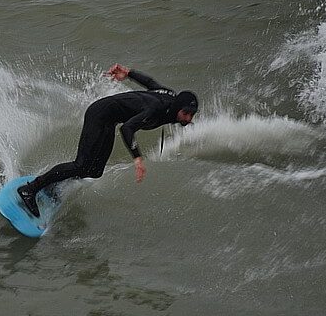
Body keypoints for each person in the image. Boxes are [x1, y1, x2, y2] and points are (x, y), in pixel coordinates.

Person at [17, 63, 199, 217]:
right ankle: (31, 189)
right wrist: (137, 158)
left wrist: (128, 73)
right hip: (99, 114)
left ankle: (52, 186)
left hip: (109, 120)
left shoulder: (170, 97)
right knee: (81, 165)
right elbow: (127, 128)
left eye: (191, 115)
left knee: (95, 171)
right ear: (177, 108)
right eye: (186, 114)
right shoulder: (155, 109)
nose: (188, 119)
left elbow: (151, 83)